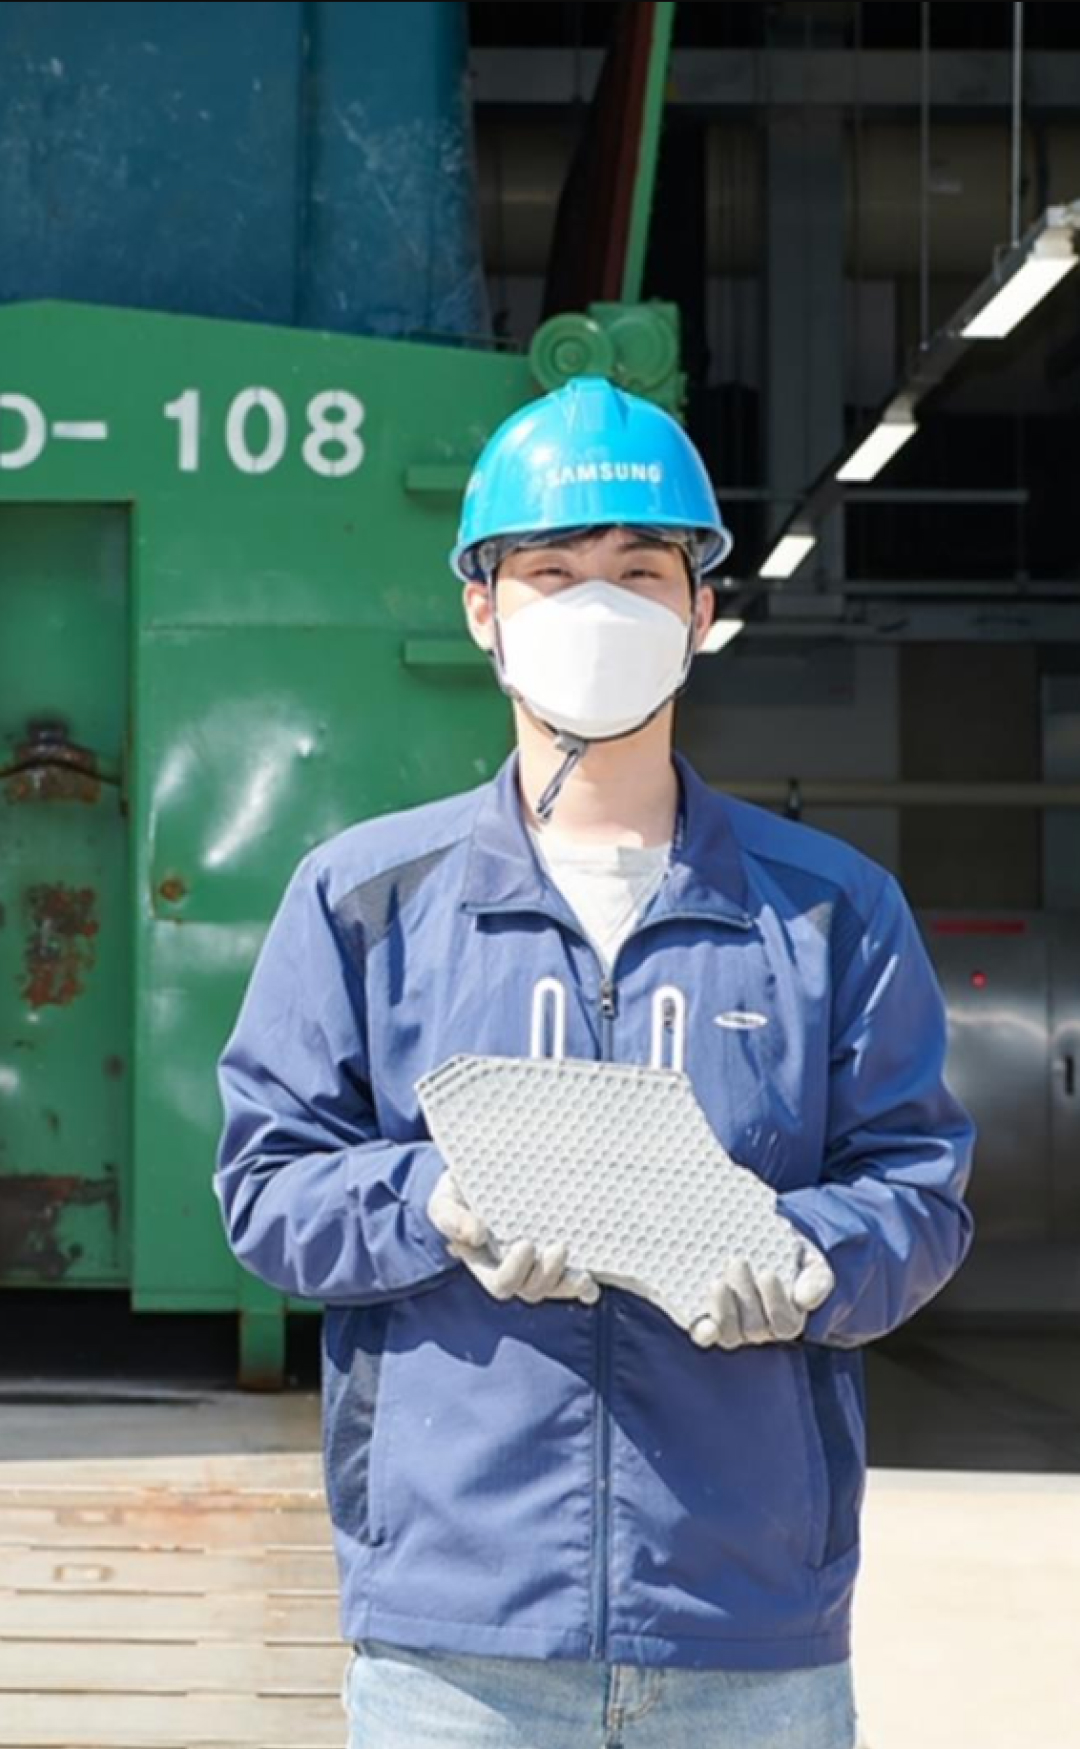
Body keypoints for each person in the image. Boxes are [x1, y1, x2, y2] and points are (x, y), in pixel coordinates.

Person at [213, 375, 975, 1749]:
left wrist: (807, 1256)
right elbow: (267, 1187)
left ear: (701, 610)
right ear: (482, 608)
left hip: (744, 1630)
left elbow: (919, 1188)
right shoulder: (368, 900)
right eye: (554, 573)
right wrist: (436, 1204)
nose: (598, 607)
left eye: (638, 572)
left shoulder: (829, 911)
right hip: (460, 1643)